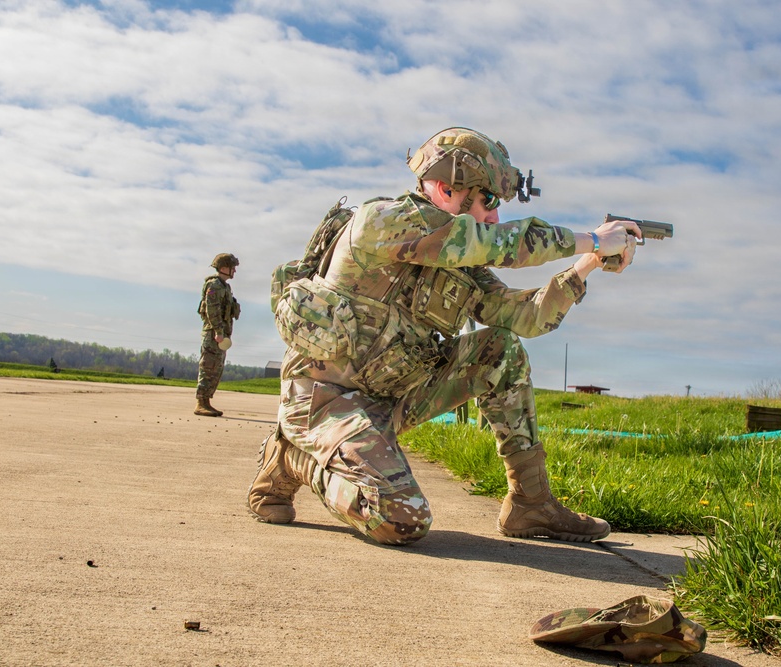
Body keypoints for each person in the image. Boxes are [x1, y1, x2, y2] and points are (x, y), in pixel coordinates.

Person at [248, 127, 640, 545]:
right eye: (487, 199)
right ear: (443, 186)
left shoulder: (462, 261)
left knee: (499, 350)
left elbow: (525, 317)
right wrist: (593, 236)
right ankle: (292, 458)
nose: (493, 215)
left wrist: (588, 263)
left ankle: (531, 503)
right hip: (325, 401)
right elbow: (495, 243)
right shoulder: (381, 222)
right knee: (401, 520)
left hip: (393, 399)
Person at [195, 253, 240, 417]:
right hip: (213, 334)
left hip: (222, 334)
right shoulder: (214, 286)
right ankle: (201, 402)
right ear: (223, 268)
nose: (234, 270)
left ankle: (206, 401)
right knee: (208, 367)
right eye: (232, 267)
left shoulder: (225, 287)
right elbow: (212, 311)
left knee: (216, 368)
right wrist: (218, 332)